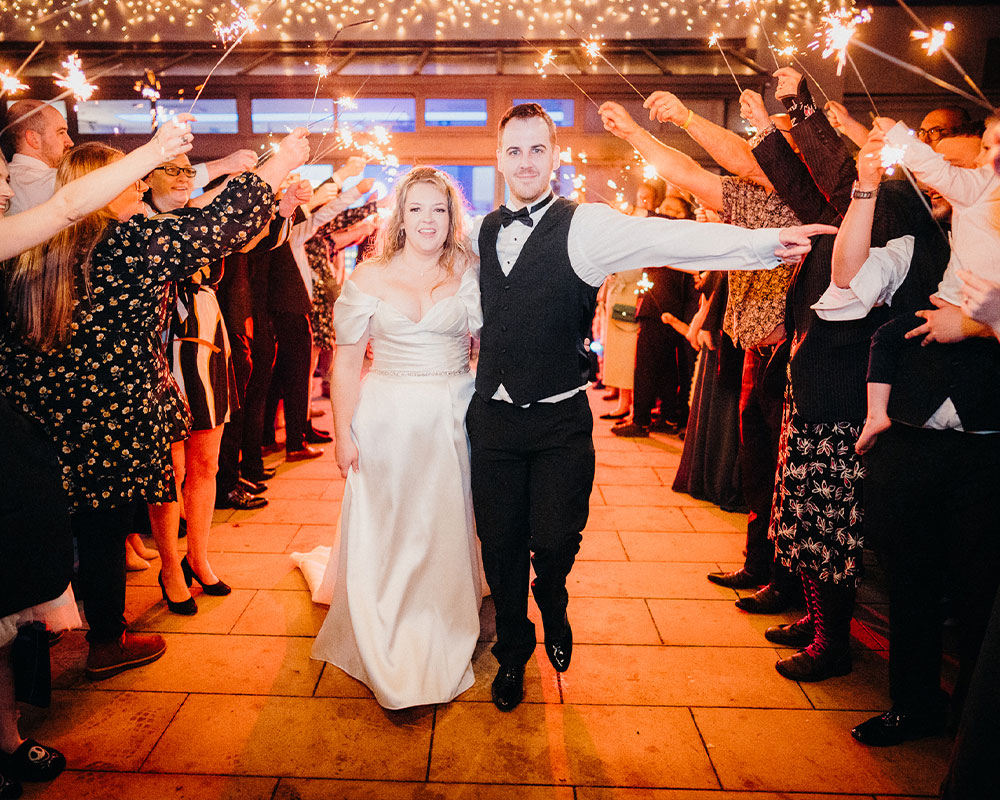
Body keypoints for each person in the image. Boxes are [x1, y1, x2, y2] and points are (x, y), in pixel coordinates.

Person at [467, 102, 834, 712]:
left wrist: (767, 243)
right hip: (494, 420)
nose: (526, 161)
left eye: (538, 149)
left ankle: (552, 597)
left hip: (559, 421)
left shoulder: (584, 225)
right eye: (514, 150)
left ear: (553, 156)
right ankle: (513, 648)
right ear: (499, 159)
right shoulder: (479, 232)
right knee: (499, 544)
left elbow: (671, 237)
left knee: (554, 541)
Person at [0, 127, 309, 682]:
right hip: (111, 414)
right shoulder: (124, 243)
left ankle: (40, 646)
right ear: (99, 188)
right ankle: (106, 640)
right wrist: (279, 162)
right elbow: (218, 226)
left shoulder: (39, 245)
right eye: (126, 179)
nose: (139, 185)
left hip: (44, 415)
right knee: (102, 526)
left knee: (62, 531)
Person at [310, 167, 482, 709]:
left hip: (455, 417)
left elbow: (491, 346)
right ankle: (383, 620)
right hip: (385, 419)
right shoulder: (367, 278)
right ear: (399, 218)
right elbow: (344, 364)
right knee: (391, 524)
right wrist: (343, 435)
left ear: (452, 217)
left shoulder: (471, 271)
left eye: (439, 209)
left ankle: (442, 619)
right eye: (417, 209)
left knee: (445, 523)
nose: (428, 220)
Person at [854, 114, 998, 454]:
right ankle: (877, 416)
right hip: (921, 427)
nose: (980, 159)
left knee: (887, 338)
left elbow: (932, 168)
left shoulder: (979, 184)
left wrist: (894, 130)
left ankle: (876, 415)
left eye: (988, 149)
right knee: (890, 337)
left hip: (984, 426)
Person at [2, 100, 73, 215]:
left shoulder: (6, 180)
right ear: (34, 139)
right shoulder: (60, 182)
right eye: (61, 132)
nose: (70, 142)